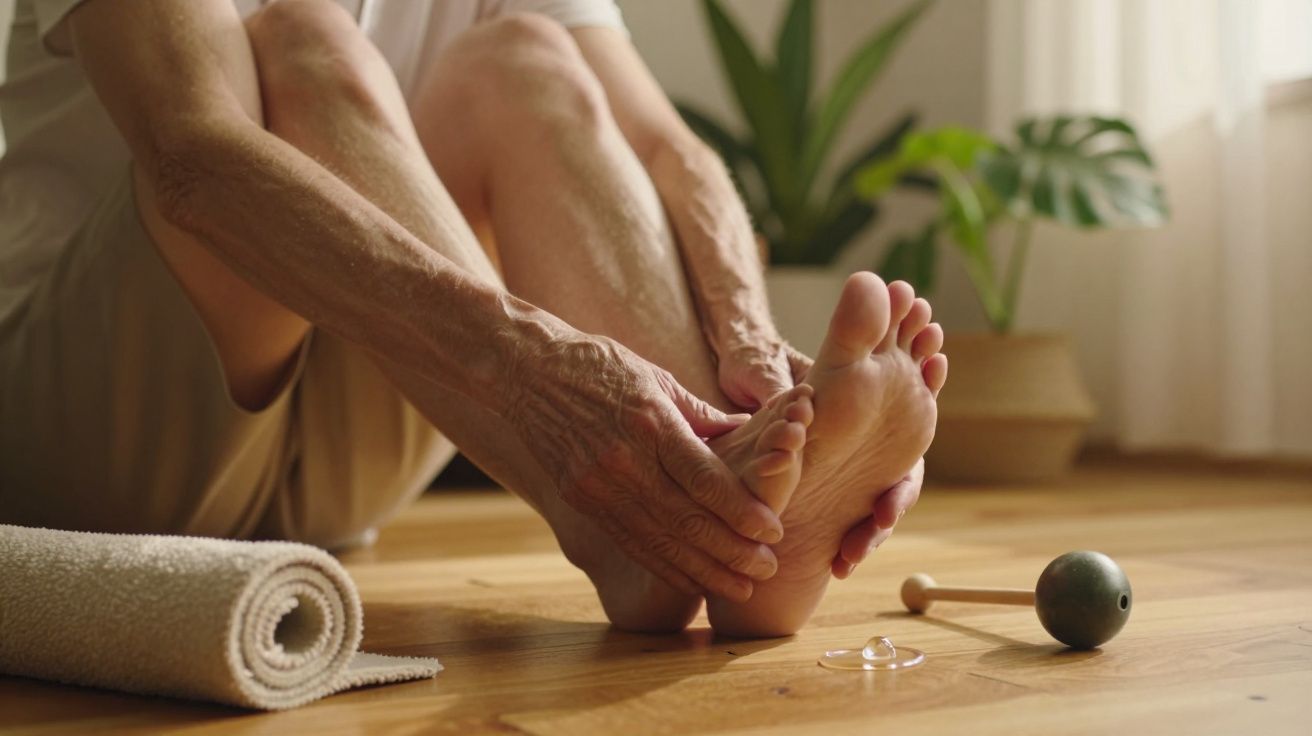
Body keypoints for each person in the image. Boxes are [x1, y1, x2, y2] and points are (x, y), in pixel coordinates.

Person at [0, 0, 946, 636]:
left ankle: (717, 511)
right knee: (306, 39)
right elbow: (193, 161)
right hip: (98, 448)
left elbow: (670, 150)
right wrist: (535, 368)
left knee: (524, 57)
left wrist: (752, 356)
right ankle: (630, 520)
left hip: (344, 459)